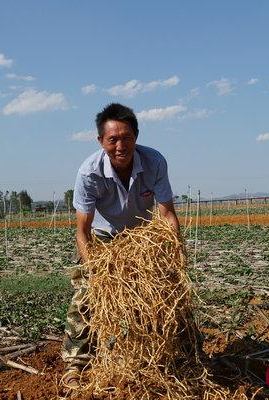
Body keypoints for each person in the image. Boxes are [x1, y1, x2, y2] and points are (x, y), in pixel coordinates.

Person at [61, 103, 180, 390]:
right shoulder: (89, 173)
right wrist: (94, 268)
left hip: (141, 235)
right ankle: (75, 362)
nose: (120, 145)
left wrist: (175, 252)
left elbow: (166, 214)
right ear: (101, 141)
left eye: (126, 137)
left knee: (169, 290)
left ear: (136, 136)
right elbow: (83, 231)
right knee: (86, 294)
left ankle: (181, 353)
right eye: (112, 139)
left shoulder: (154, 162)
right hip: (101, 236)